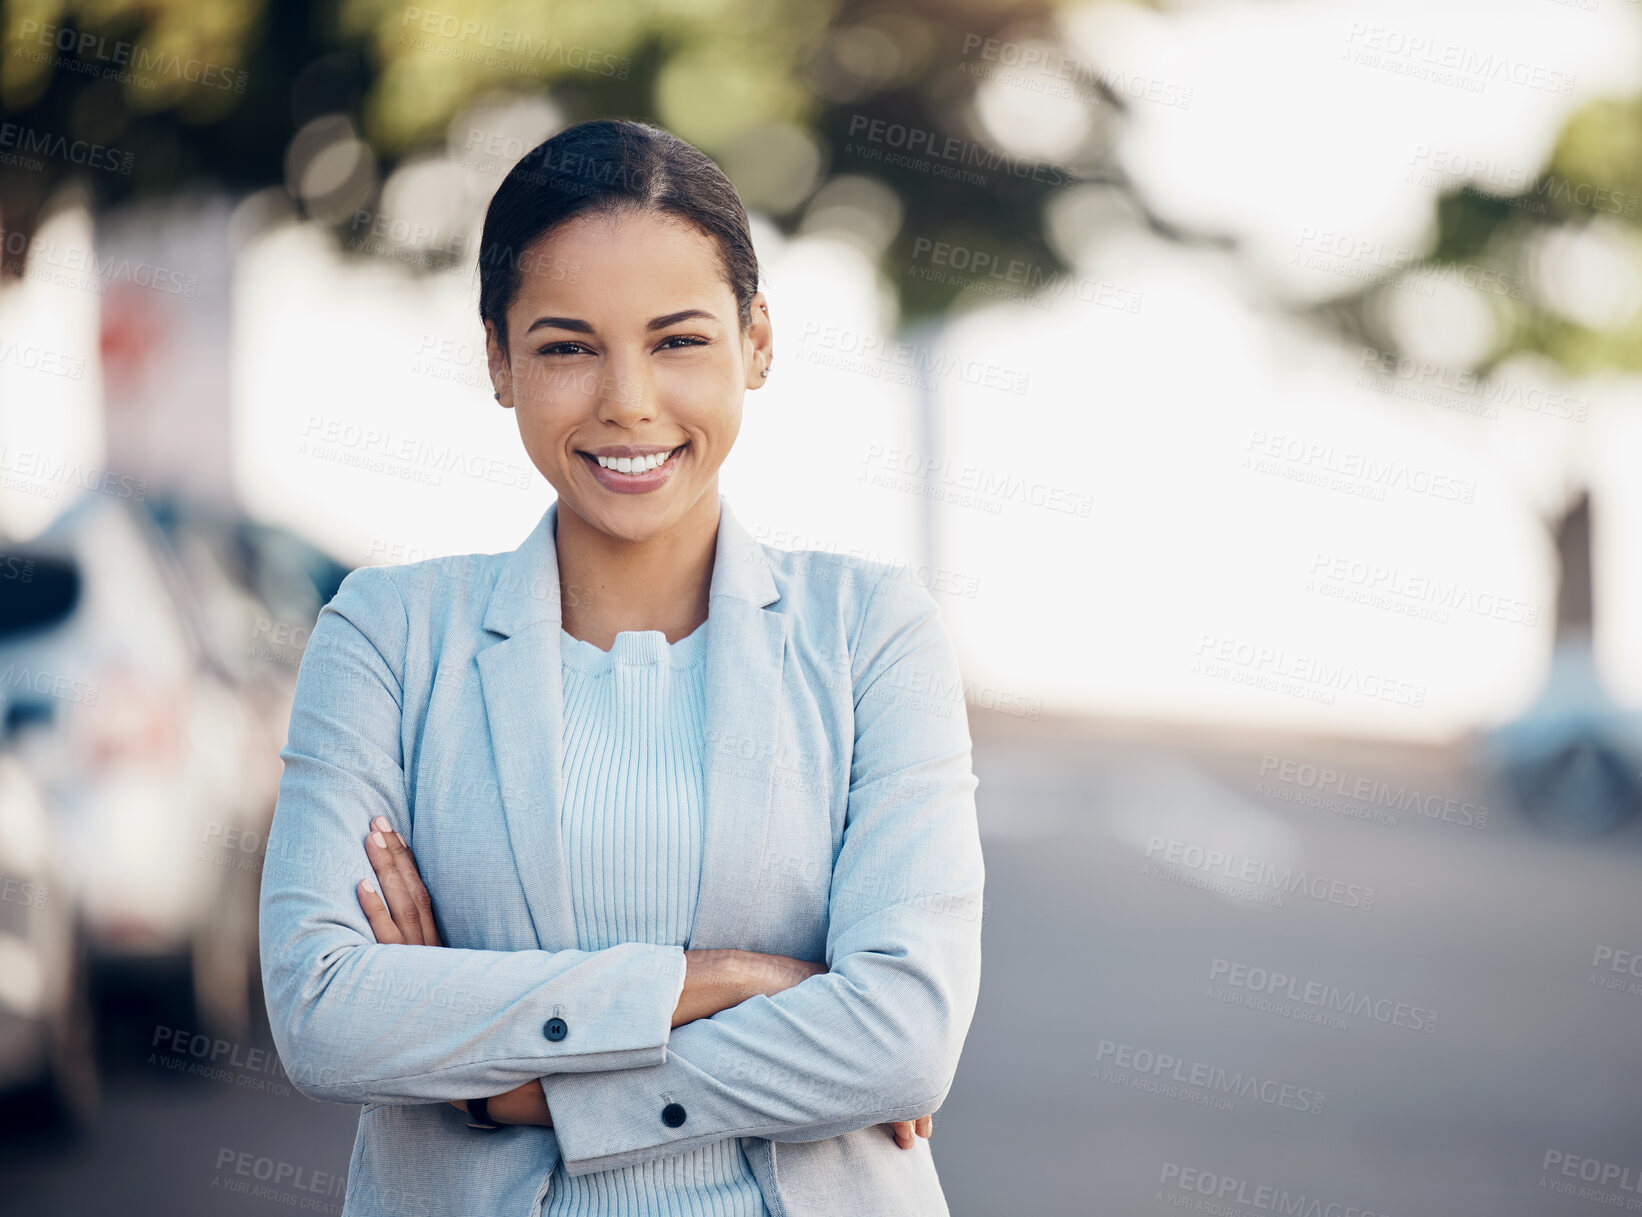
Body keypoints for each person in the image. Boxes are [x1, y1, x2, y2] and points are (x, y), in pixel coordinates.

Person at [258, 117, 985, 1217]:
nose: (628, 399)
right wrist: (713, 981)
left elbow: (899, 1038)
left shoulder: (870, 632)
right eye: (565, 345)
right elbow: (326, 1012)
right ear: (498, 359)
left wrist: (519, 1085)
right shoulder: (389, 633)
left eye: (678, 340)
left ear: (757, 343)